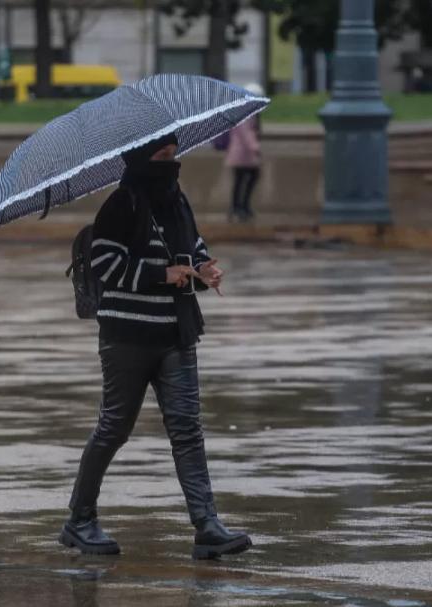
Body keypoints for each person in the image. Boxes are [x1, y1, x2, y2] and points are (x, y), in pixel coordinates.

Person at [59, 133, 252, 560]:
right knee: (114, 427)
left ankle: (207, 525)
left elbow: (192, 248)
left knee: (187, 429)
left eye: (173, 155)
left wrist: (203, 270)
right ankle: (80, 519)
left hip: (176, 333)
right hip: (127, 337)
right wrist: (161, 274)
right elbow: (105, 263)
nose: (170, 164)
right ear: (141, 158)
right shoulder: (121, 204)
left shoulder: (177, 202)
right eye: (162, 156)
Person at [226, 83, 264, 222]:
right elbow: (245, 133)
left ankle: (241, 206)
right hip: (242, 153)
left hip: (244, 153)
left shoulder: (245, 110)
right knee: (243, 179)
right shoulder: (245, 112)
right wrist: (255, 147)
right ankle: (238, 207)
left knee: (242, 179)